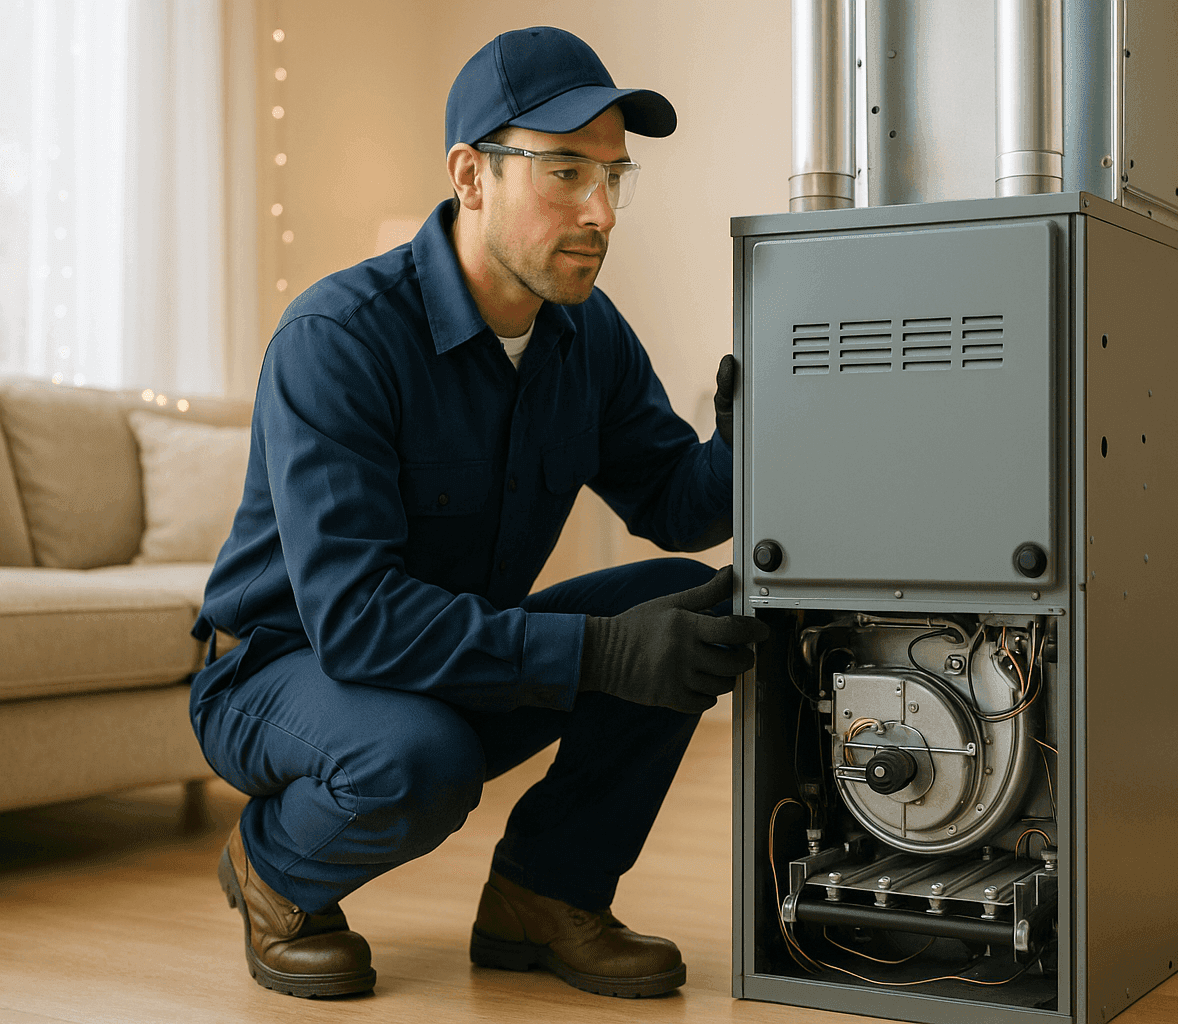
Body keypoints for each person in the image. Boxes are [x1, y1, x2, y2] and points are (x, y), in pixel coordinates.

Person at [189, 26, 768, 1001]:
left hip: (441, 658)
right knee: (420, 756)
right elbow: (358, 621)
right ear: (471, 176)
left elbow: (676, 504)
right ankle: (274, 869)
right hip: (284, 671)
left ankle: (546, 893)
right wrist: (599, 654)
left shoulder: (585, 333)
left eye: (614, 177)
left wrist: (749, 436)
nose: (601, 212)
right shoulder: (337, 340)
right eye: (566, 172)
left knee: (689, 602)